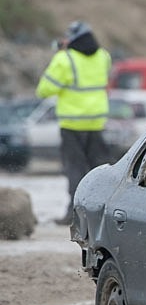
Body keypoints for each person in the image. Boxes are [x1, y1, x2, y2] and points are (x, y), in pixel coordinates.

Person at [36, 21, 112, 225]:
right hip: (96, 122)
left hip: (72, 124)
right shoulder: (104, 56)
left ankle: (76, 213)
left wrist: (60, 54)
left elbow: (44, 90)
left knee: (75, 169)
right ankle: (103, 212)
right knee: (99, 169)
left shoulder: (65, 59)